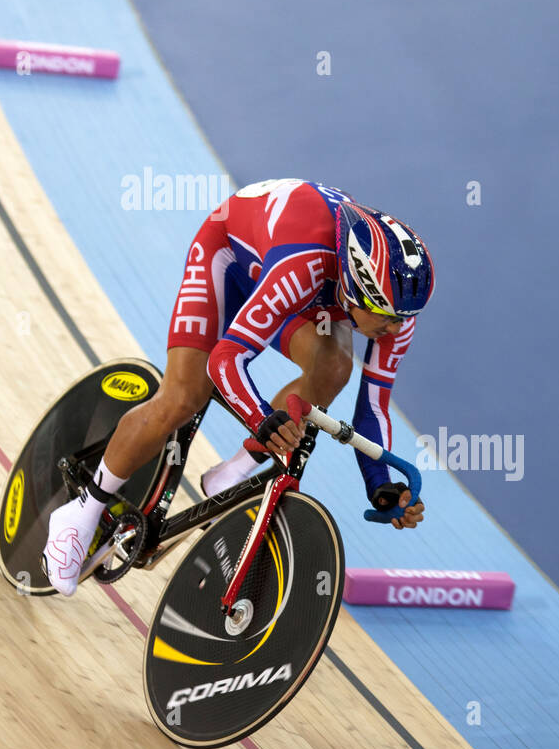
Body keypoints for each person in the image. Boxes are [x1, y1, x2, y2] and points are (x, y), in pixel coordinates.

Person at [43, 178, 434, 596]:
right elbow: (226, 359)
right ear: (357, 291)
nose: (396, 328)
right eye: (387, 317)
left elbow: (373, 407)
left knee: (334, 366)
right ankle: (81, 512)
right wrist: (260, 418)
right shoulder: (304, 267)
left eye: (403, 318)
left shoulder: (395, 310)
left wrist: (380, 485)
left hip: (294, 280)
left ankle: (232, 472)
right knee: (184, 396)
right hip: (229, 255)